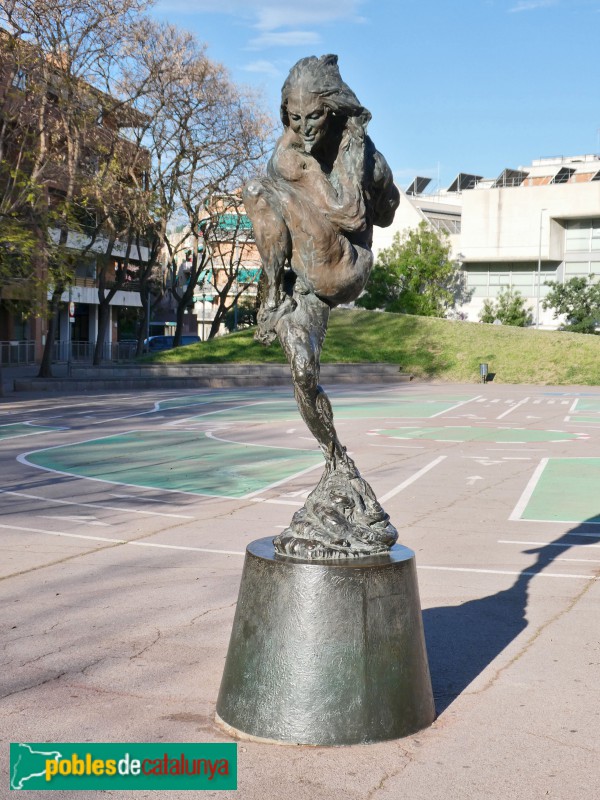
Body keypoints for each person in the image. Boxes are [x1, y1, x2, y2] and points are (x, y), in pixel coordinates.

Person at [243, 54, 399, 469]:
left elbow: (368, 214)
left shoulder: (357, 145)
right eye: (294, 118)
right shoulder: (288, 155)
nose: (303, 128)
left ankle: (273, 296)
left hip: (345, 266)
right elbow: (346, 210)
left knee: (258, 190)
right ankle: (336, 459)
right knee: (302, 371)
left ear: (331, 109)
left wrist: (373, 174)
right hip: (308, 279)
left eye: (312, 116)